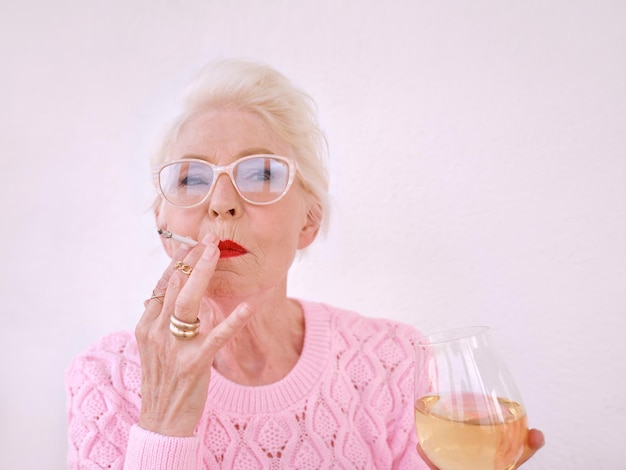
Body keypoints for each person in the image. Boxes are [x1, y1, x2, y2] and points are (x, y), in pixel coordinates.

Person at [65, 59, 544, 469]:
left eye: (262, 173)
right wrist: (164, 422)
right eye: (192, 178)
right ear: (162, 221)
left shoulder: (393, 360)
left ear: (309, 221)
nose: (222, 202)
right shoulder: (103, 379)